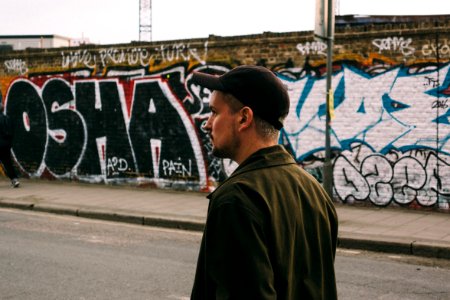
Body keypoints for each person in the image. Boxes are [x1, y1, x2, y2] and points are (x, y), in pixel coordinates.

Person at [190, 65, 338, 299]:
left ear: (244, 118)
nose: (207, 124)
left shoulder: (236, 200)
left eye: (215, 112)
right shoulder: (314, 191)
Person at [0, 97, 20, 188]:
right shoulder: (8, 119)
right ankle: (14, 179)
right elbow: (12, 132)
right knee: (7, 163)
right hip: (6, 145)